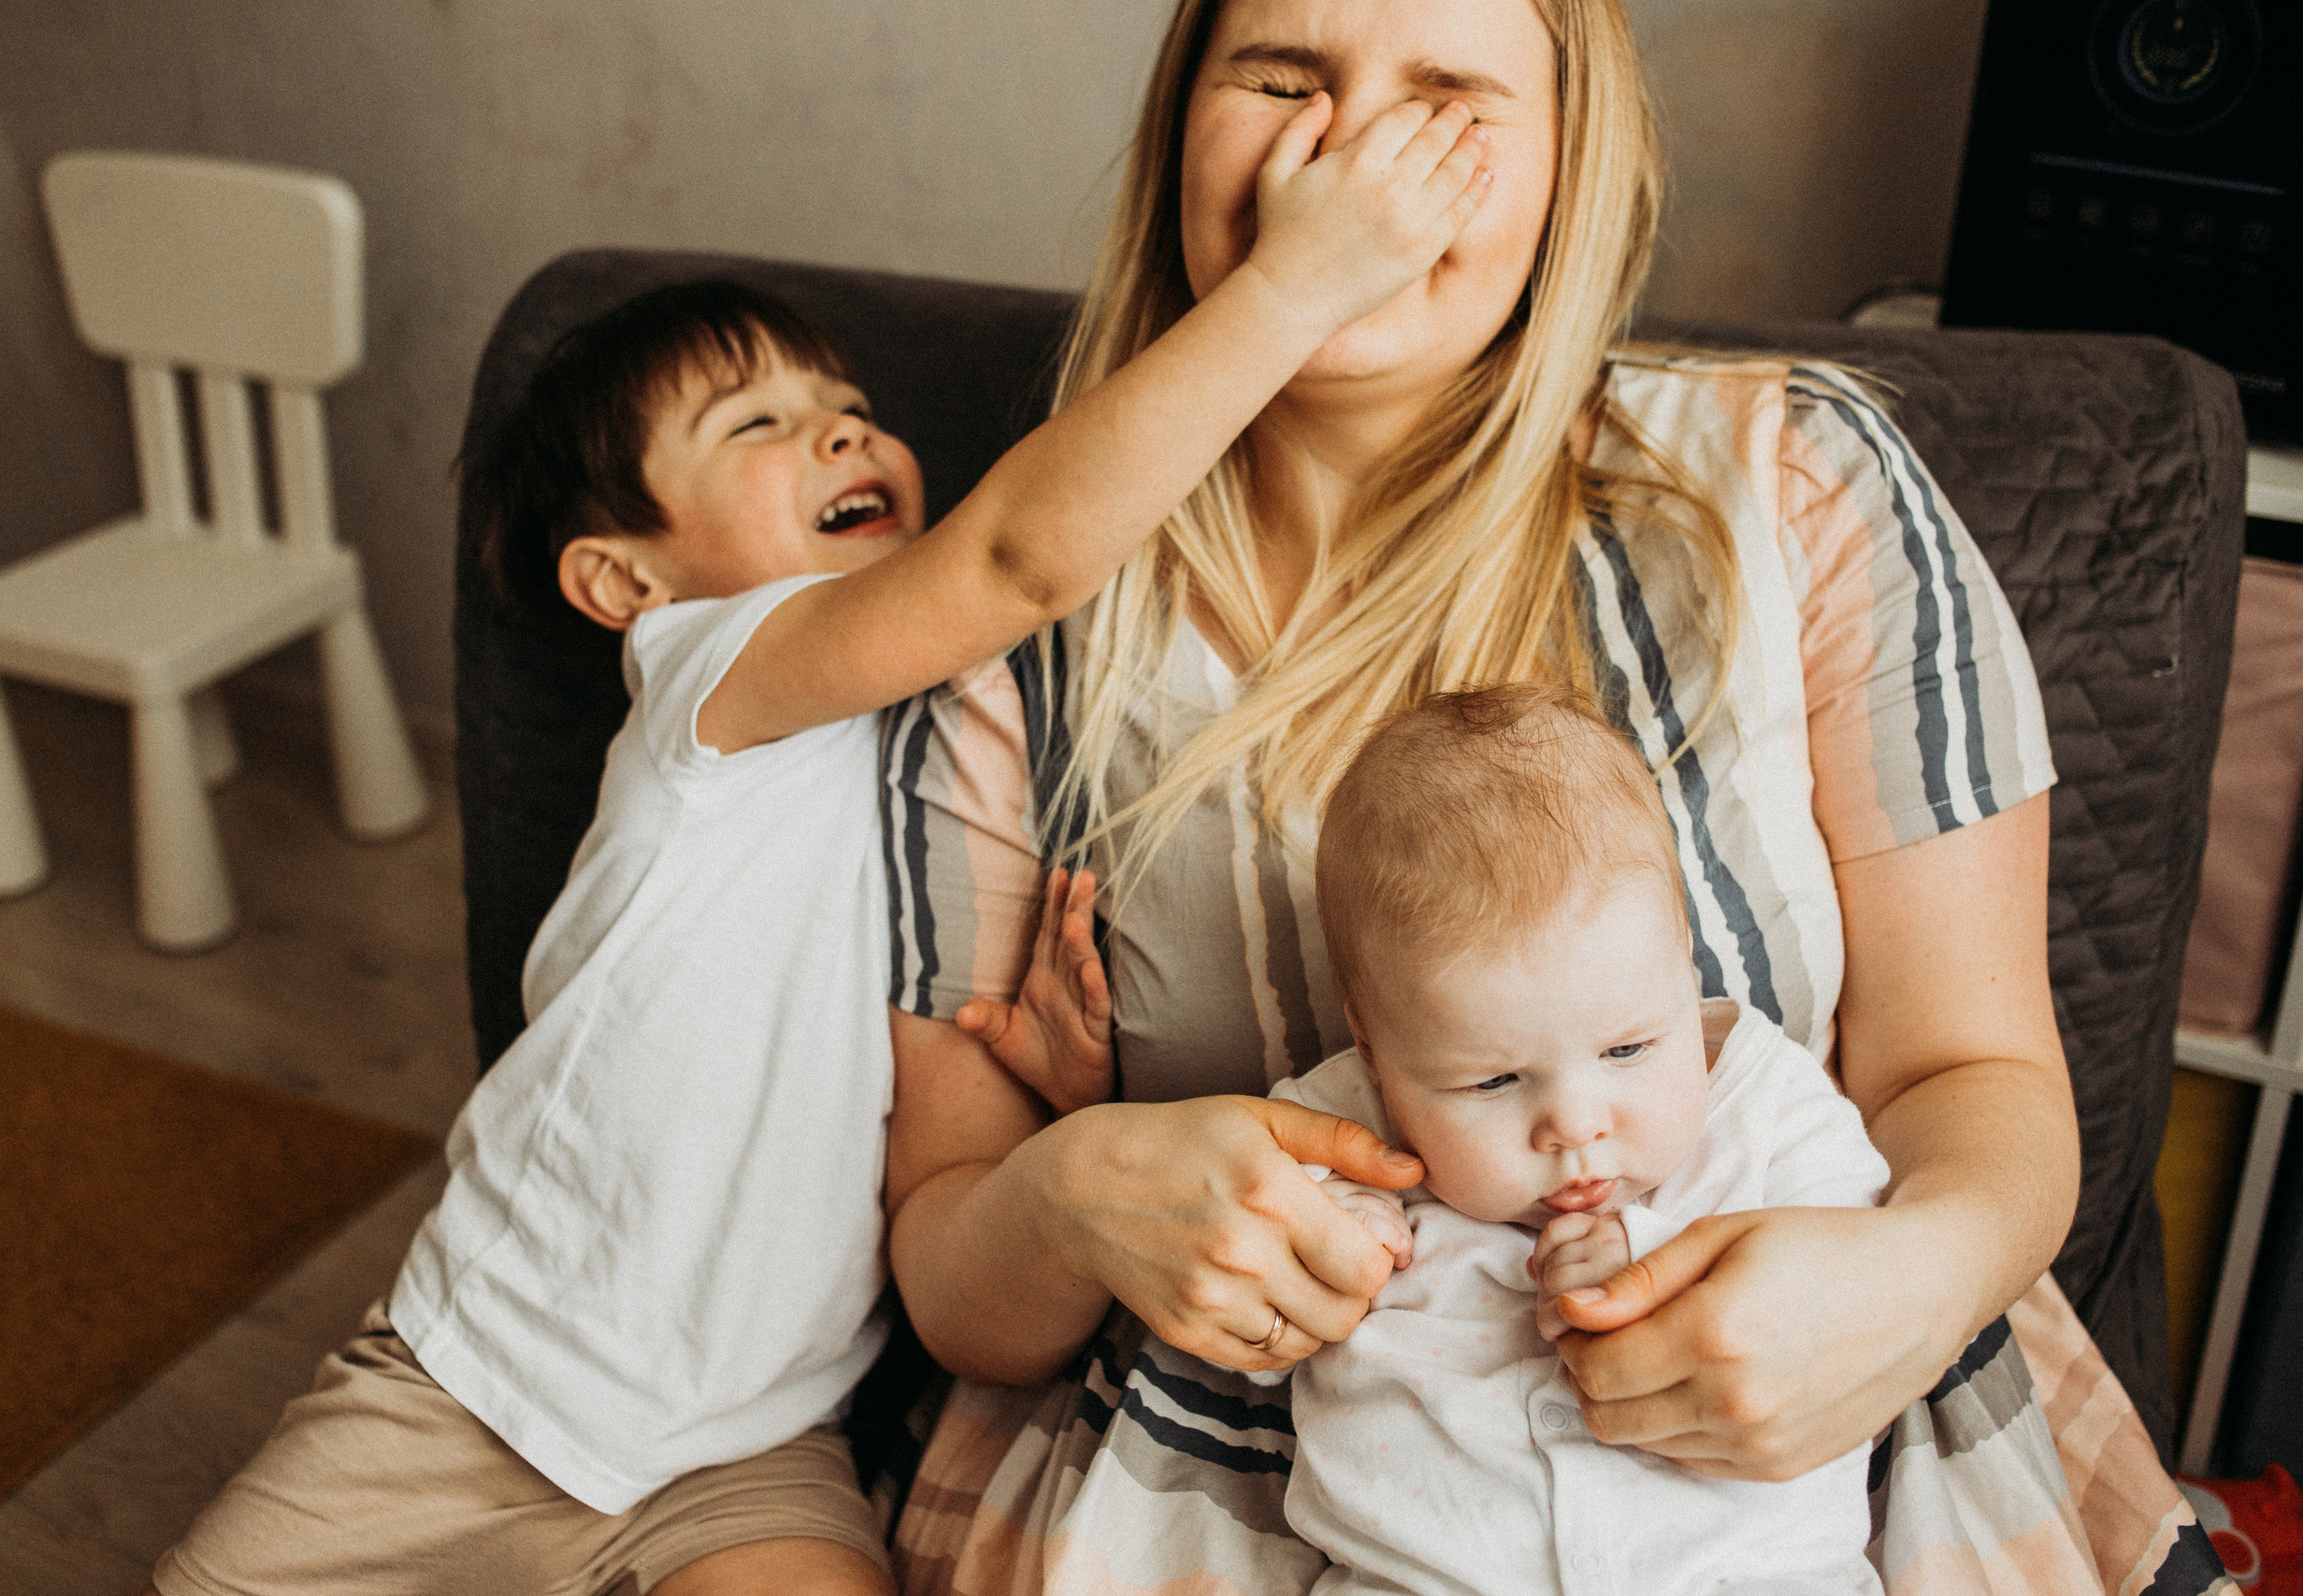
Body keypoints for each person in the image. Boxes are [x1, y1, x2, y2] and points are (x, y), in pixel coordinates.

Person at [878, 0, 2209, 1590]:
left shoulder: (1800, 488)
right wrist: (1069, 1191)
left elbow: (1976, 1070)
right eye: (1282, 77)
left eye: (1447, 93)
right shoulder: (1004, 621)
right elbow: (956, 1282)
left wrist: (1910, 1285)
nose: (1352, 158)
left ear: (1574, 166)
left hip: (1817, 1476)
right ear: (1179, 129)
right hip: (1226, 1506)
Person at [145, 91, 1494, 1596]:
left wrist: (1043, 1078)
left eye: (841, 401)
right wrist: (1302, 278)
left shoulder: (964, 730)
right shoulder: (707, 674)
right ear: (622, 579)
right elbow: (1014, 555)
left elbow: (932, 1105)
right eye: (762, 424)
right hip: (483, 1376)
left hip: (754, 1443)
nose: (842, 426)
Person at [1257, 684, 1890, 1594]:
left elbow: (1858, 1268)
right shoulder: (1343, 1128)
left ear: (1683, 965)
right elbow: (1243, 1233)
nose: (1576, 1123)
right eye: (1494, 1081)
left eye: (1628, 1048)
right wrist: (1323, 1233)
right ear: (1375, 1051)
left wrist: (1662, 1262)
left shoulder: (1769, 1109)